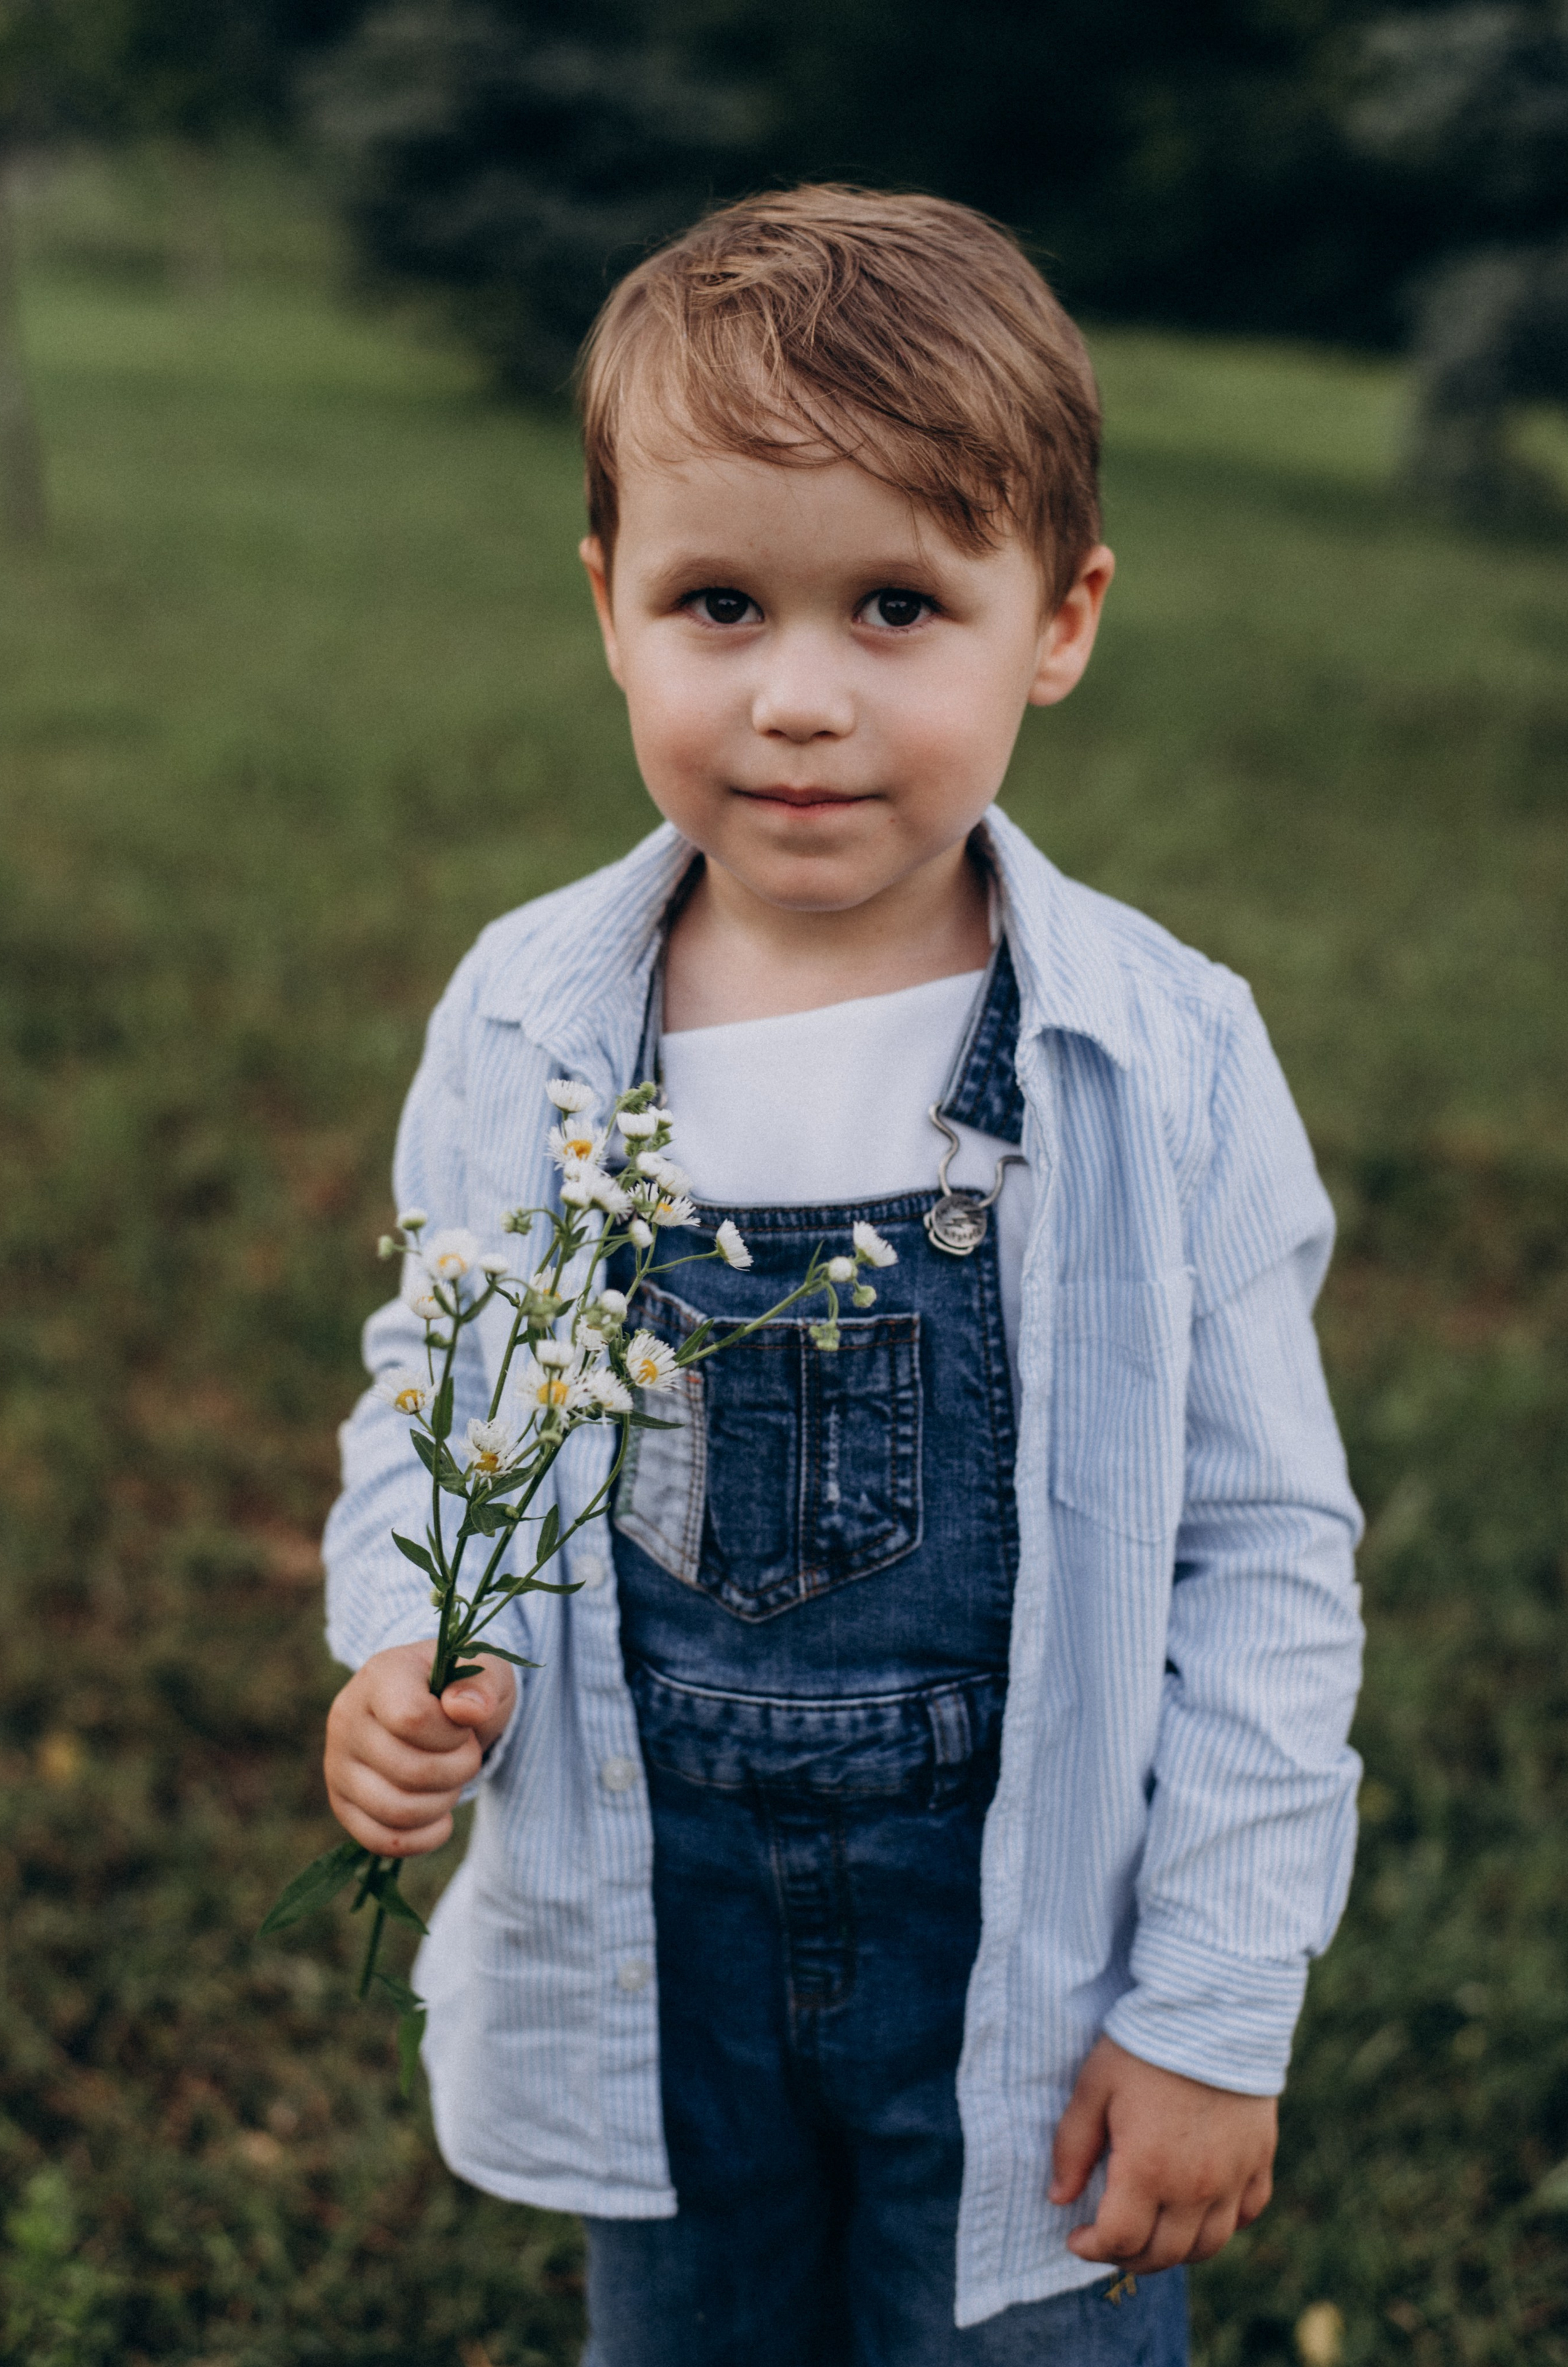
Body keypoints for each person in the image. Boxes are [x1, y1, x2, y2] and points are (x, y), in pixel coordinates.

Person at [319, 186, 1364, 2365]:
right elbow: (450, 1384)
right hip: (651, 1932)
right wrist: (422, 1638)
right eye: (719, 604)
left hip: (1029, 1967)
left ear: (1057, 621)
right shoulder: (537, 1018)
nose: (797, 698)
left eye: (898, 605)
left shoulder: (1153, 1052)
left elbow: (1264, 1553)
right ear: (607, 606)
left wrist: (1211, 2009)